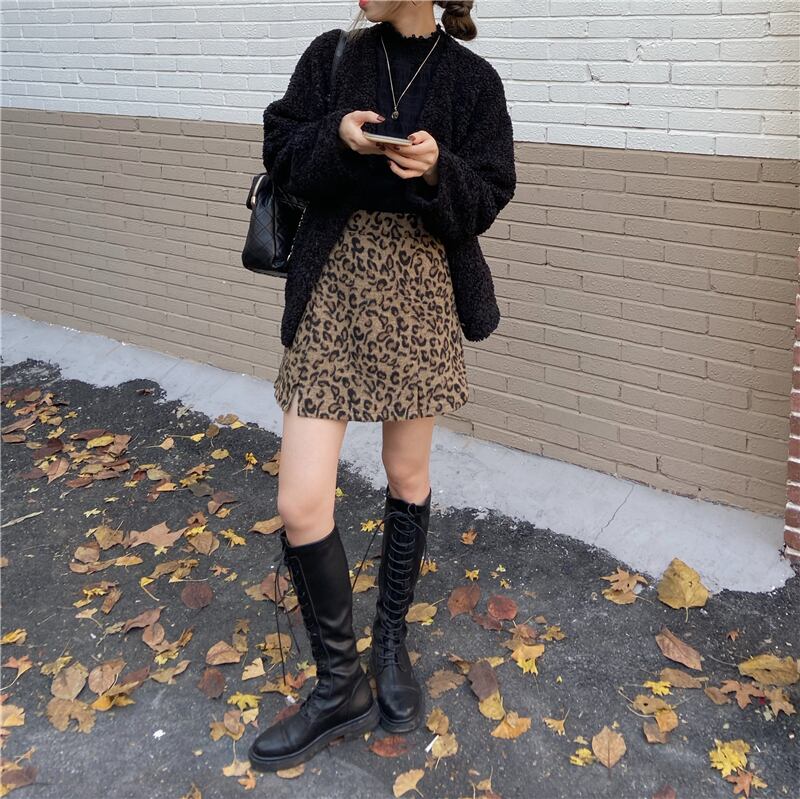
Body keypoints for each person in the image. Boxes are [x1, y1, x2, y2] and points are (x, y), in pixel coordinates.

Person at [248, 0, 516, 772]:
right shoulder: (331, 56)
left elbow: (489, 194)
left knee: (406, 473)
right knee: (300, 500)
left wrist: (438, 170)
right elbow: (282, 151)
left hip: (419, 287)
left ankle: (389, 640)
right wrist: (335, 136)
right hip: (333, 282)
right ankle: (341, 684)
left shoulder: (473, 81)